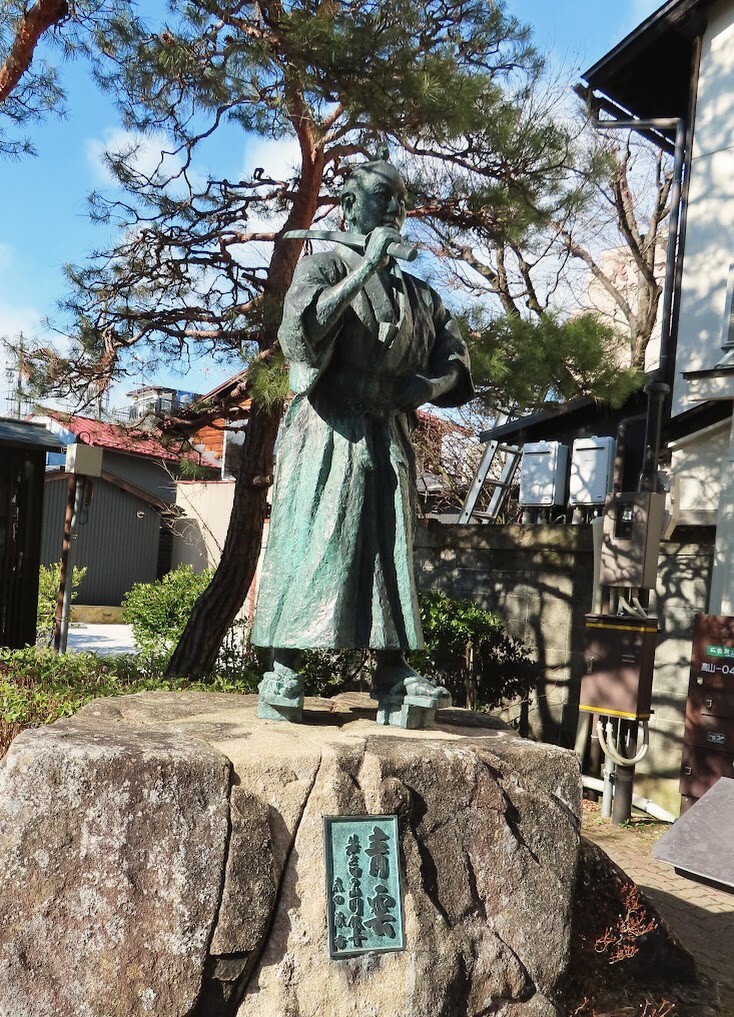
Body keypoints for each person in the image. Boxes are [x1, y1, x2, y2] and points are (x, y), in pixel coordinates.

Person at [251, 159, 474, 724]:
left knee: (390, 547)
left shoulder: (420, 294)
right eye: (383, 195)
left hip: (388, 427)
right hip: (327, 427)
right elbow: (300, 336)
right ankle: (284, 663)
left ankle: (393, 669)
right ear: (350, 205)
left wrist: (429, 386)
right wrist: (364, 268)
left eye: (402, 199)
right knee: (314, 535)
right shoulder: (322, 266)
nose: (397, 208)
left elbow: (454, 357)